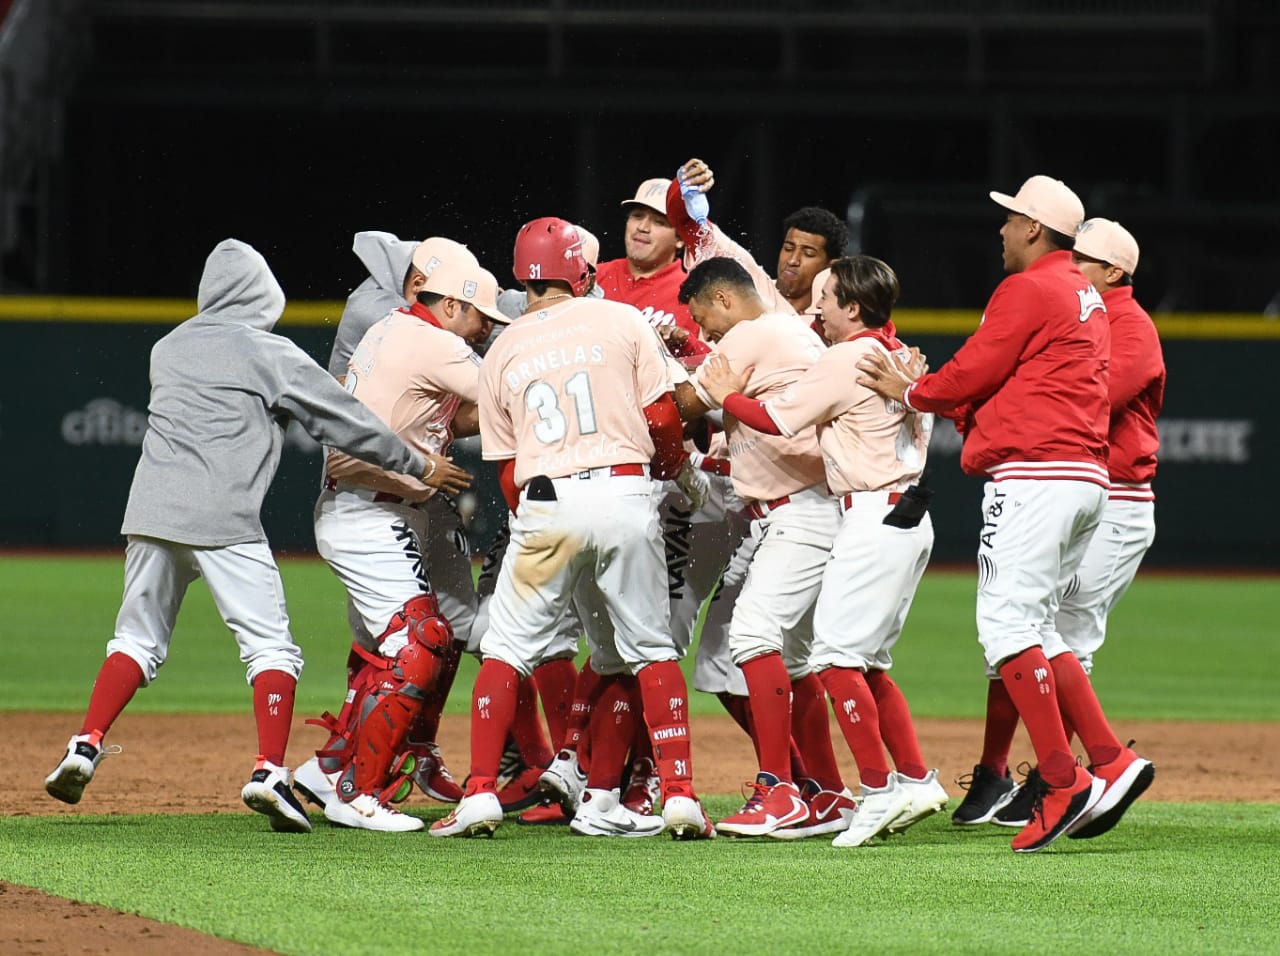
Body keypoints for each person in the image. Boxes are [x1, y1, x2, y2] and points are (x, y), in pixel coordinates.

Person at [44, 239, 442, 833]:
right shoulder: (267, 352)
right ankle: (269, 771)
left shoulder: (168, 347)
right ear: (262, 295)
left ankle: (85, 742)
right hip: (223, 518)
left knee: (135, 639)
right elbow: (343, 419)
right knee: (272, 650)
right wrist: (416, 463)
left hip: (150, 514)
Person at [855, 175, 1155, 853]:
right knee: (1038, 624)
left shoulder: (1030, 287)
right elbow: (1016, 382)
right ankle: (1107, 758)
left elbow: (975, 370)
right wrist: (951, 399)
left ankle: (1061, 780)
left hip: (1037, 475)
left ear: (1033, 227)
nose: (1001, 229)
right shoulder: (1086, 296)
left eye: (1011, 217)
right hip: (1081, 477)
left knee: (1005, 626)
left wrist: (914, 390)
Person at [429, 216, 715, 840]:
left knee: (505, 650)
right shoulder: (621, 319)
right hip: (624, 494)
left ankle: (479, 792)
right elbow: (664, 418)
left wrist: (535, 514)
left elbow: (504, 470)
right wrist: (676, 473)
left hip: (547, 502)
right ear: (579, 271)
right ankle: (680, 795)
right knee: (647, 650)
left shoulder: (503, 346)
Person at [698, 256, 949, 845]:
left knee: (833, 659)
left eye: (828, 299)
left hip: (869, 514)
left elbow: (775, 420)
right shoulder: (899, 355)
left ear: (853, 306)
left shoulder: (847, 359)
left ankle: (875, 789)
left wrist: (724, 395)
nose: (817, 310)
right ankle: (912, 778)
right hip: (906, 512)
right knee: (866, 663)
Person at [297, 254, 506, 832]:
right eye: (479, 316)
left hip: (382, 506)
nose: (485, 328)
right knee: (418, 645)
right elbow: (507, 389)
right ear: (451, 305)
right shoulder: (430, 340)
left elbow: (458, 414)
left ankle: (327, 769)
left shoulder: (396, 328)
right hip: (371, 510)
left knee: (396, 651)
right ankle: (356, 792)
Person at [989, 218, 1166, 828]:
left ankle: (1077, 775)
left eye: (1082, 258)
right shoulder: (1083, 316)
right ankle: (1066, 773)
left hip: (1117, 501)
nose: (1070, 266)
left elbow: (1088, 397)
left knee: (1068, 637)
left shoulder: (1130, 327)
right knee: (1039, 628)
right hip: (1086, 492)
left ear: (1114, 271)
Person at [675, 255, 850, 839]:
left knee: (751, 635)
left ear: (724, 300)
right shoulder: (784, 332)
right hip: (806, 509)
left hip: (798, 513)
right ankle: (827, 794)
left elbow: (682, 407)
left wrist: (653, 361)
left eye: (706, 321)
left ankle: (779, 791)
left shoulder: (754, 332)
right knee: (796, 661)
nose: (706, 336)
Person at [664, 158, 847, 316]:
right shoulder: (751, 282)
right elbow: (688, 223)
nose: (792, 260)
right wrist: (687, 185)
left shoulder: (834, 322)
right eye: (789, 248)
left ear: (830, 266)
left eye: (808, 253)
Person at [594, 176, 707, 359]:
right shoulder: (594, 276)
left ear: (680, 239)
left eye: (659, 222)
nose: (643, 227)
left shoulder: (694, 296)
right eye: (637, 216)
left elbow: (712, 366)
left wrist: (687, 343)